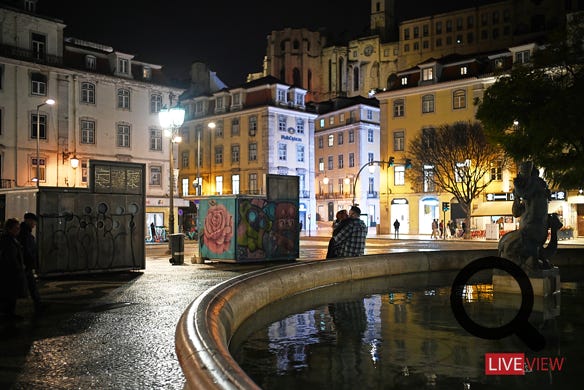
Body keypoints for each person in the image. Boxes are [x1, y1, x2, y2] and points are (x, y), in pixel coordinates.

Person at [0, 218, 28, 321]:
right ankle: (8, 314)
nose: (18, 230)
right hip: (10, 272)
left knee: (11, 294)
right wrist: (18, 267)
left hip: (12, 271)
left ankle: (9, 313)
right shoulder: (8, 240)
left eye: (18, 228)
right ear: (10, 229)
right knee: (9, 294)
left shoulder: (12, 239)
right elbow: (10, 257)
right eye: (16, 228)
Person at [18, 212, 42, 311]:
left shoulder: (25, 232)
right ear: (28, 221)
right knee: (28, 285)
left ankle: (38, 304)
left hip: (26, 264)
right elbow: (26, 250)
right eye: (33, 222)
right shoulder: (24, 233)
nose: (34, 224)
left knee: (31, 285)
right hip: (25, 264)